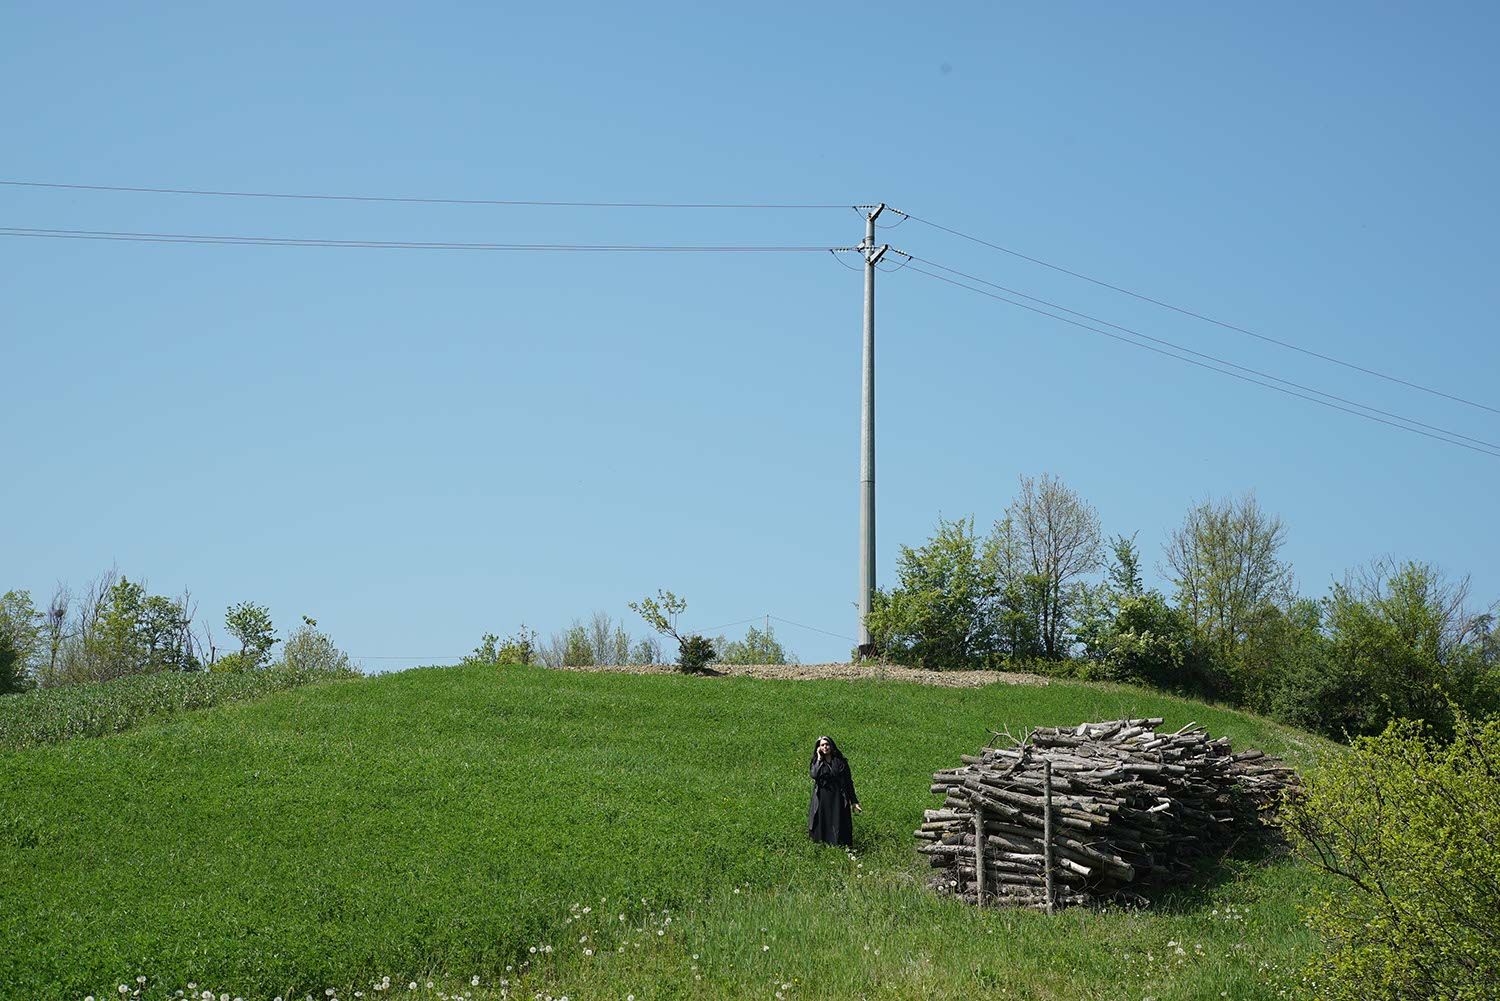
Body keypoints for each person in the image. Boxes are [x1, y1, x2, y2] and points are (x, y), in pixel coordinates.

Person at [808, 735, 862, 846]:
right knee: (822, 820)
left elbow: (848, 782)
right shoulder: (816, 761)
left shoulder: (841, 762)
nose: (825, 747)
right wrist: (819, 757)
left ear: (831, 746)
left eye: (827, 744)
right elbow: (814, 775)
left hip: (838, 797)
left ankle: (839, 846)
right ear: (818, 747)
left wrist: (854, 801)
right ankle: (823, 846)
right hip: (822, 797)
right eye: (822, 745)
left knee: (838, 821)